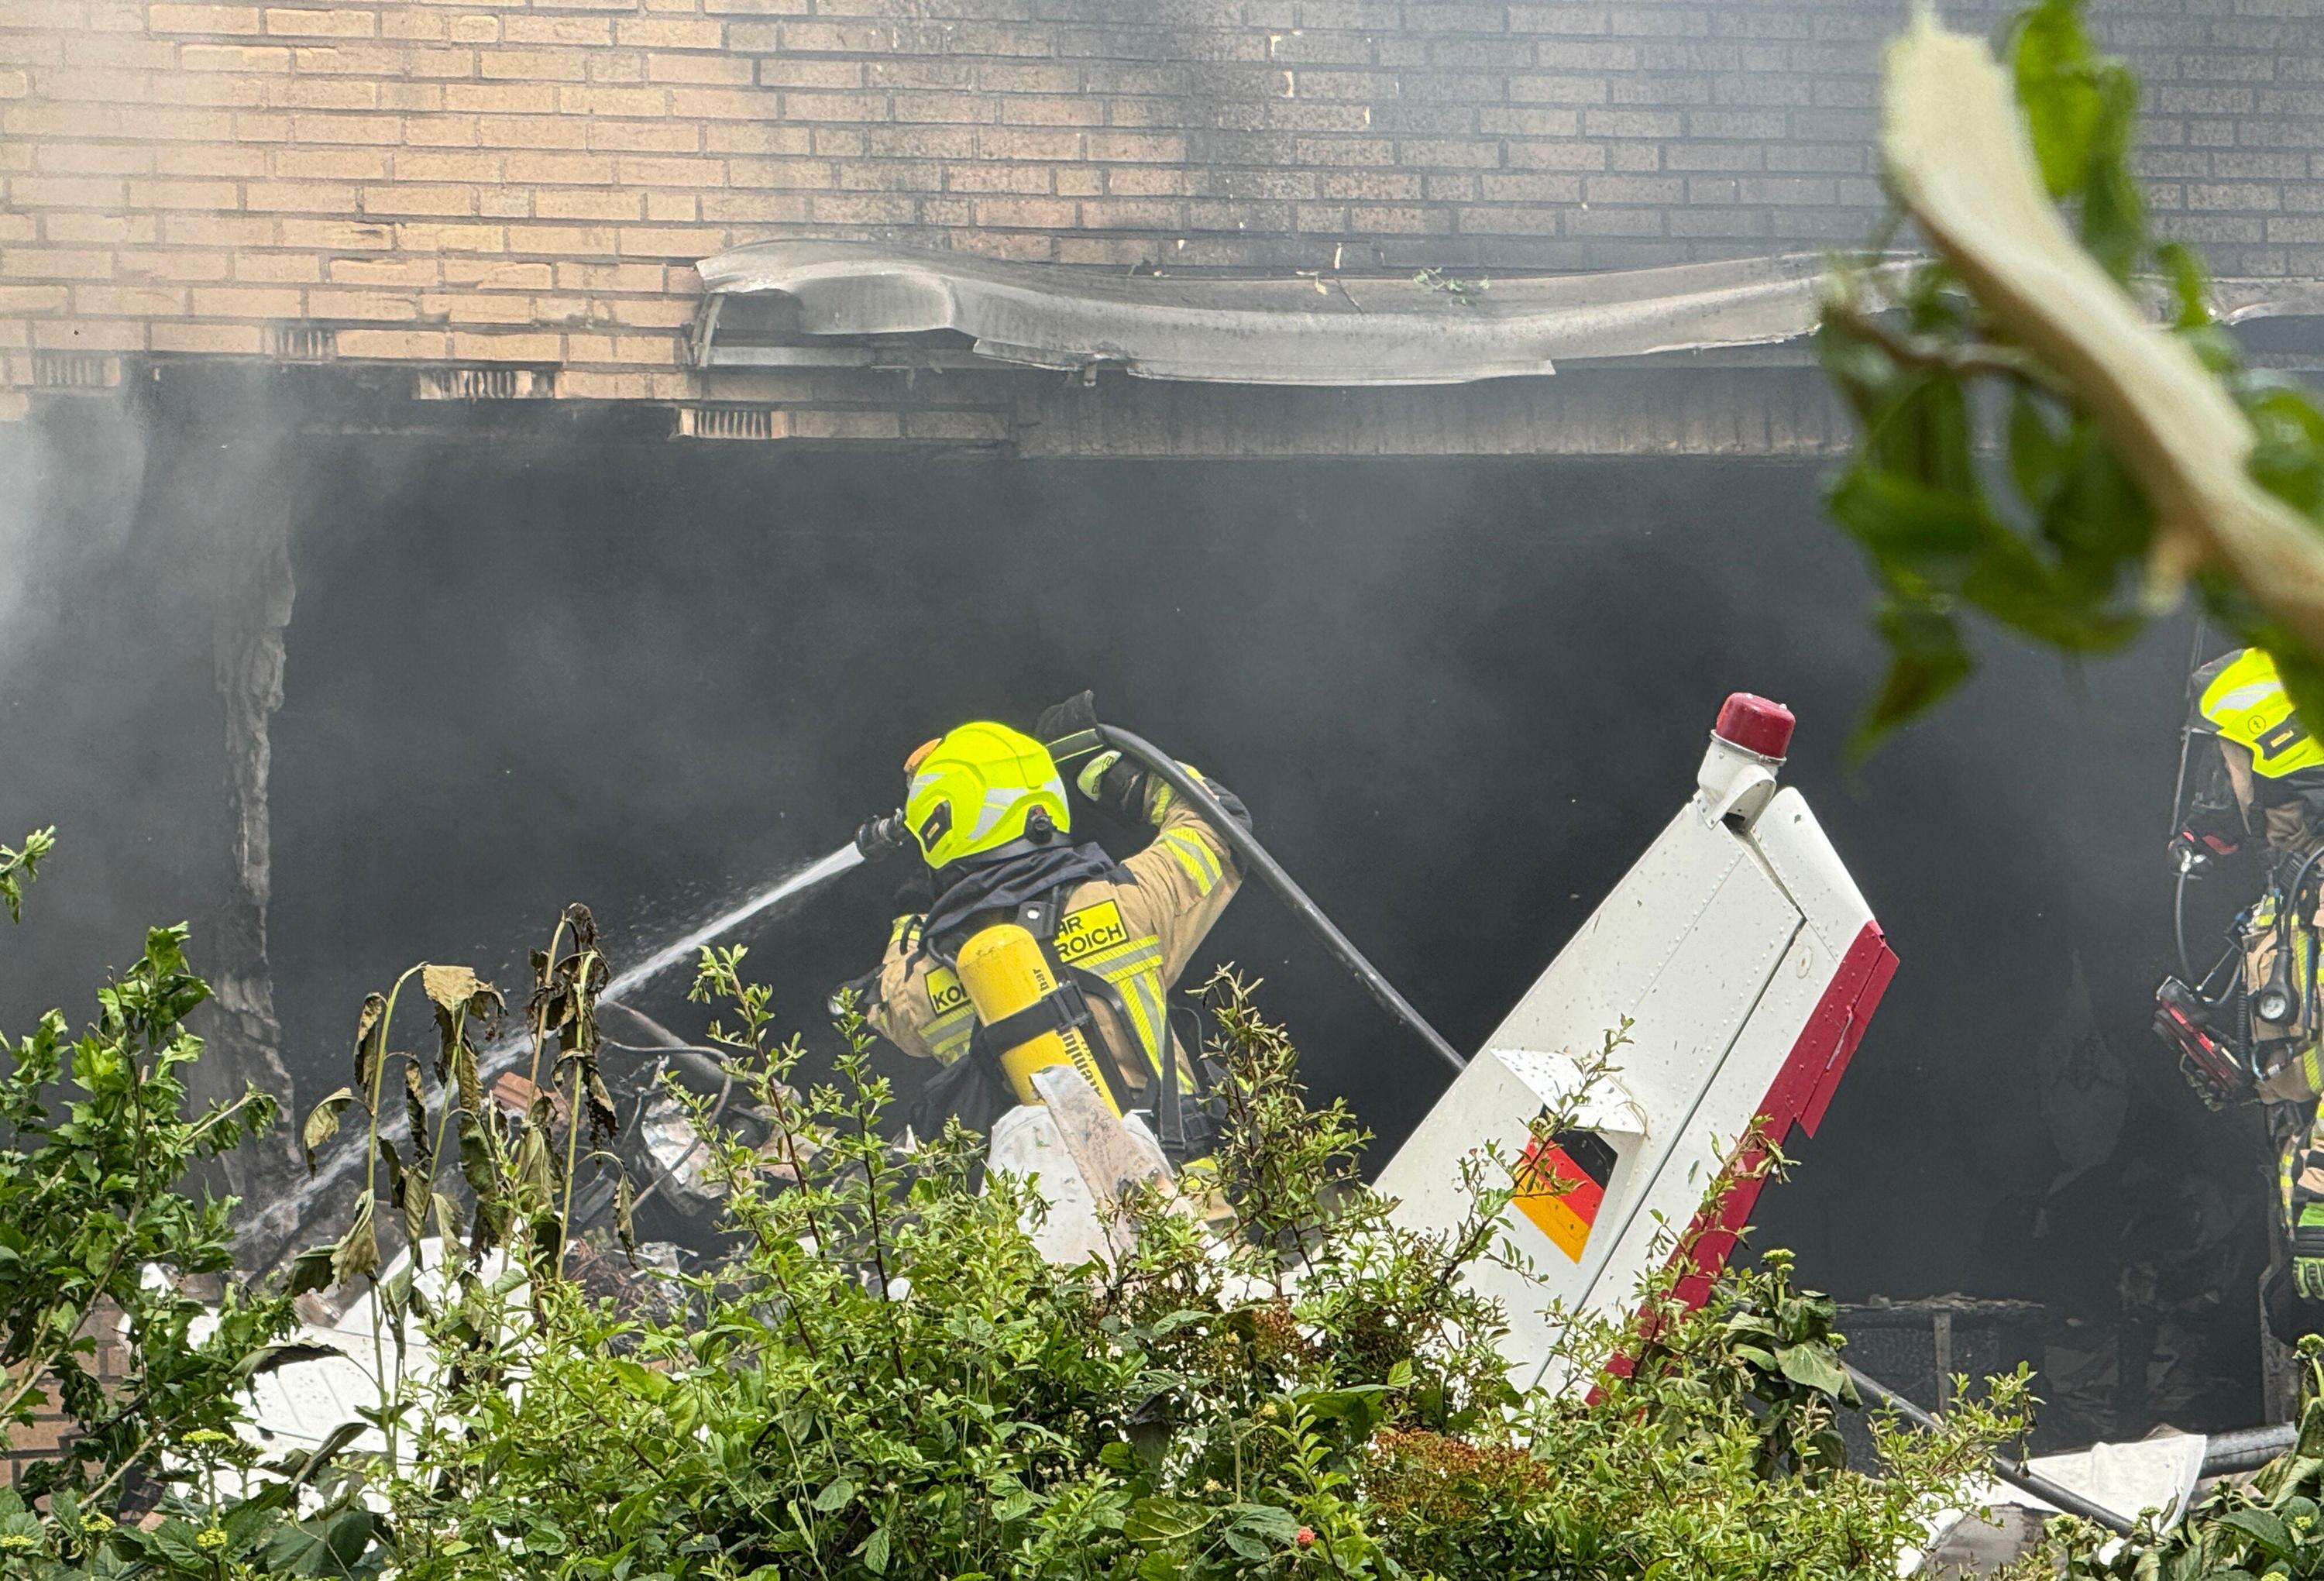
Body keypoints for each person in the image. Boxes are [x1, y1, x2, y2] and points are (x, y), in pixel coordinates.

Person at [842, 705, 1250, 1157]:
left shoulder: (924, 987)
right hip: (1186, 1194)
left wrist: (913, 915)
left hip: (1044, 1202)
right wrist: (1119, 776)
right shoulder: (1130, 903)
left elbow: (883, 1002)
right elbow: (1219, 823)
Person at [2158, 647, 2324, 1326]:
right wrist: (2233, 1066)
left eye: (2228, 761)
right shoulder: (2295, 889)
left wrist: (2319, 1204)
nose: (2221, 789)